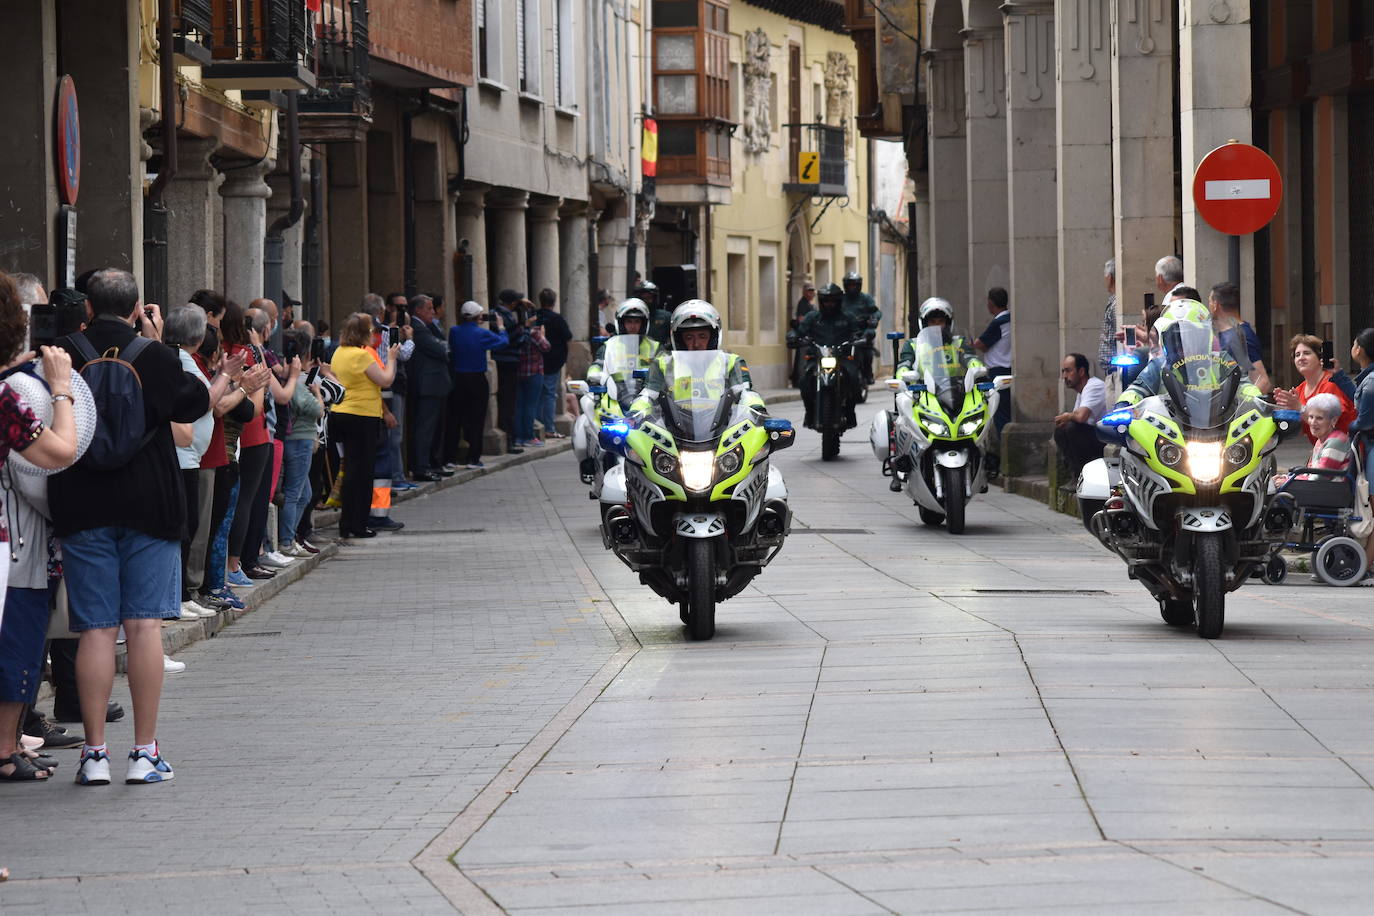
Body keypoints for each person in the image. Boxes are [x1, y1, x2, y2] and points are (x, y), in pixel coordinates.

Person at [51, 268, 213, 786]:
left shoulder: (63, 351)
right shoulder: (155, 355)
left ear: (89, 307)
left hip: (82, 500)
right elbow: (192, 402)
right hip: (150, 502)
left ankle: (93, 754)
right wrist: (157, 341)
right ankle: (144, 753)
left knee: (95, 629)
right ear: (138, 304)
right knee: (143, 626)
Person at [0, 273, 85, 782]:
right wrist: (60, 390)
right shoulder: (7, 398)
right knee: (15, 641)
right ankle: (5, 749)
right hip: (9, 538)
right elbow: (62, 450)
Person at [163, 305, 229, 620]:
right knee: (185, 527)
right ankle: (178, 596)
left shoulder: (183, 359)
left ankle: (182, 595)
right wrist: (229, 377)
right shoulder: (181, 361)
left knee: (189, 526)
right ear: (200, 335)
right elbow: (204, 401)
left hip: (190, 455)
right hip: (183, 456)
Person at [629, 300, 764, 418]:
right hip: (673, 430)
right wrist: (635, 412)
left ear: (713, 337)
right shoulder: (663, 363)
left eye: (702, 336)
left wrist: (759, 411)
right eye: (689, 337)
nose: (696, 343)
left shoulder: (731, 362)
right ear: (679, 339)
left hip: (722, 428)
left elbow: (745, 392)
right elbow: (648, 395)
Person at [329, 312, 398, 538]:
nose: (373, 335)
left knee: (350, 468)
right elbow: (385, 380)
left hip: (341, 413)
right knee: (363, 471)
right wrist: (392, 358)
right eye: (371, 331)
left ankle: (346, 522)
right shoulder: (362, 356)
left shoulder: (340, 352)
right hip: (362, 416)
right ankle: (358, 524)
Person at [277, 326, 326, 557]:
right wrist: (317, 393)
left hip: (301, 440)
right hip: (298, 441)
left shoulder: (295, 381)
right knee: (295, 492)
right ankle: (286, 541)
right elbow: (316, 409)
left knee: (304, 494)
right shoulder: (295, 382)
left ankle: (291, 536)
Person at [789, 283, 862, 429]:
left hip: (841, 358)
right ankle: (809, 412)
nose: (830, 304)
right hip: (817, 358)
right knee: (804, 380)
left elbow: (858, 331)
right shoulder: (813, 317)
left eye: (833, 300)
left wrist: (861, 337)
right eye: (826, 300)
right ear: (821, 301)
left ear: (838, 301)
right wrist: (793, 336)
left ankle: (850, 411)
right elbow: (799, 331)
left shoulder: (847, 317)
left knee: (854, 377)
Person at [449, 301, 509, 468]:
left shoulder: (454, 331)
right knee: (477, 418)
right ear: (478, 317)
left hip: (458, 378)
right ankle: (473, 458)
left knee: (456, 418)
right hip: (476, 378)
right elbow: (503, 342)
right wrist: (501, 327)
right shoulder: (482, 333)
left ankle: (450, 457)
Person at [1273, 334, 1357, 443]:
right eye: (1297, 355)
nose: (1301, 358)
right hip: (1321, 448)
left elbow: (1331, 422)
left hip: (1343, 449)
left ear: (1320, 358)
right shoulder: (1299, 390)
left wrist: (1299, 408)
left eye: (1307, 353)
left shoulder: (1331, 383)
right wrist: (1286, 411)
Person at [405, 294, 453, 481]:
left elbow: (445, 345)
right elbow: (441, 349)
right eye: (429, 309)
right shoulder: (417, 328)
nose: (433, 312)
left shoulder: (427, 326)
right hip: (427, 385)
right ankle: (421, 467)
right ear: (418, 310)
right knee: (425, 427)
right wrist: (443, 347)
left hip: (435, 385)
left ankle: (432, 463)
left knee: (434, 427)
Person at [972, 287, 1012, 473]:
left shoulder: (999, 322)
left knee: (1000, 415)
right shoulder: (1011, 319)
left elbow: (980, 344)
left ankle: (1006, 458)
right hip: (1009, 368)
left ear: (990, 303)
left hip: (997, 371)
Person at [1209, 282, 1271, 394]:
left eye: (1209, 301)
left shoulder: (1242, 335)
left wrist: (1243, 405)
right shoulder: (1225, 334)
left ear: (1215, 304)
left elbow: (1262, 381)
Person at [1346, 327, 1374, 578]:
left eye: (1354, 344)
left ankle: (1364, 566)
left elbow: (1364, 421)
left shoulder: (1372, 382)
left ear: (1360, 350)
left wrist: (1348, 425)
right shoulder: (1368, 378)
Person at [1053, 353, 1108, 478]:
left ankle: (1083, 475)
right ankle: (1076, 474)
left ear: (1081, 371)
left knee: (1072, 428)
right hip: (1094, 438)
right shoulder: (1081, 392)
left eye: (1068, 371)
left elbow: (1081, 417)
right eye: (1063, 371)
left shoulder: (1093, 386)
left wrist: (1068, 416)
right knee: (1061, 430)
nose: (1064, 376)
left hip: (1106, 440)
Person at [896, 298, 980, 375]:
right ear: (925, 324)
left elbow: (970, 357)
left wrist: (976, 366)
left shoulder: (959, 342)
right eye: (932, 322)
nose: (937, 325)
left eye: (941, 321)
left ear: (947, 324)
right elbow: (904, 364)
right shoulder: (913, 345)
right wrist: (903, 373)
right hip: (922, 390)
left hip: (958, 390)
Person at [513, 299, 551, 448]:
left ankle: (518, 437)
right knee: (530, 406)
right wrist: (543, 333)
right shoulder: (534, 333)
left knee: (520, 405)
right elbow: (546, 346)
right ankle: (528, 436)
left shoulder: (518, 332)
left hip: (519, 371)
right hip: (534, 372)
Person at [535, 288, 573, 440]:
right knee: (549, 394)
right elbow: (568, 337)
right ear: (554, 301)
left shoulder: (535, 317)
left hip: (536, 362)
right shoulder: (557, 319)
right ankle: (549, 428)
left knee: (537, 395)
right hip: (553, 362)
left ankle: (537, 425)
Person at [490, 289, 524, 453]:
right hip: (507, 361)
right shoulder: (502, 317)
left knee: (508, 402)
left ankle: (511, 438)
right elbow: (514, 338)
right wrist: (524, 324)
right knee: (508, 403)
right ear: (513, 303)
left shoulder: (499, 314)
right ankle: (509, 439)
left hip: (505, 361)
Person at [840, 272, 881, 384]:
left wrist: (874, 319)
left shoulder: (866, 298)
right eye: (849, 285)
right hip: (845, 332)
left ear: (858, 285)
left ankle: (867, 373)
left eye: (854, 285)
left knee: (867, 349)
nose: (852, 287)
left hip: (862, 331)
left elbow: (876, 312)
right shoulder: (841, 299)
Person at [635, 281, 673, 346]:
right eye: (644, 298)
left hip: (659, 354)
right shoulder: (631, 317)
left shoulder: (666, 317)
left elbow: (675, 338)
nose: (646, 301)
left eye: (649, 298)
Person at [1098, 259, 1117, 374]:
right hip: (1112, 370)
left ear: (1109, 278)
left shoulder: (1116, 304)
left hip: (1115, 369)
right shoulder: (1113, 302)